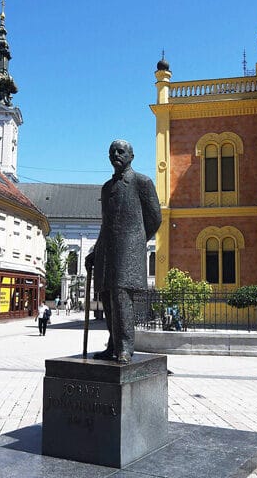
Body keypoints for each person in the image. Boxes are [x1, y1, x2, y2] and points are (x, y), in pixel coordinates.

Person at [85, 140, 161, 364]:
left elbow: (155, 217)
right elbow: (105, 224)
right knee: (107, 298)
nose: (115, 155)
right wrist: (95, 251)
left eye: (120, 151)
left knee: (121, 299)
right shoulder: (107, 188)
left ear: (131, 156)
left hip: (127, 251)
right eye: (112, 152)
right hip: (107, 252)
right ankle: (113, 345)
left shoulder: (142, 182)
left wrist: (136, 241)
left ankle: (126, 348)